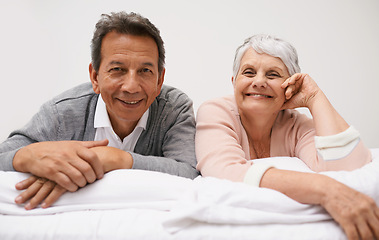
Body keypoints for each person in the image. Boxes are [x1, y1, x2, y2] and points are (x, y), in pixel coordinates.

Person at [0, 11, 199, 210]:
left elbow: (190, 173)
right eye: (117, 70)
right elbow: (3, 155)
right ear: (95, 77)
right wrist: (27, 156)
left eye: (145, 71)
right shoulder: (63, 114)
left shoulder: (174, 109)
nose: (131, 87)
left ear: (159, 80)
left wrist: (114, 158)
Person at [195, 34, 379, 239]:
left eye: (273, 74)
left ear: (290, 86)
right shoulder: (216, 111)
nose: (259, 81)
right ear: (234, 81)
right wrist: (324, 188)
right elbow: (224, 171)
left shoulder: (296, 124)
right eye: (249, 72)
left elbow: (349, 167)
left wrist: (314, 98)